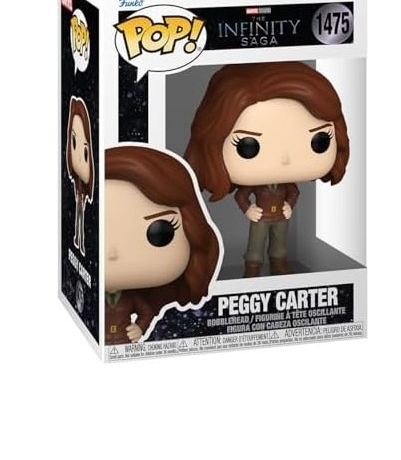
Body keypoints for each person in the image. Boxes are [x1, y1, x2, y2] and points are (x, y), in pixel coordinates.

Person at [185, 62, 349, 277]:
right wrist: (248, 210)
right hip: (261, 217)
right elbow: (241, 196)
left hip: (280, 216)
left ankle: (279, 266)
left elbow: (294, 193)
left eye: (319, 141)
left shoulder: (286, 184)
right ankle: (252, 269)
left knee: (279, 245)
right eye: (248, 146)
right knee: (255, 246)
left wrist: (289, 205)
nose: (285, 159)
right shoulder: (255, 184)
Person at [105, 145, 219, 345]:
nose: (112, 252)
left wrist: (140, 328)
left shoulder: (135, 298)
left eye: (160, 233)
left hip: (125, 340)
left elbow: (146, 314)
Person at [66, 96, 95, 257]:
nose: (77, 158)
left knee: (81, 212)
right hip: (79, 188)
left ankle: (80, 240)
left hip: (82, 190)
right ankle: (78, 238)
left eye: (84, 152)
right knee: (79, 212)